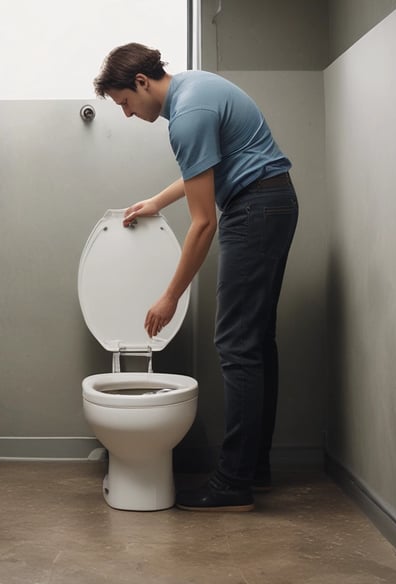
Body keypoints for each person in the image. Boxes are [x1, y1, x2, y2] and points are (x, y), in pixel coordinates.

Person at [93, 43, 298, 511]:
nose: (126, 114)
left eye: (124, 102)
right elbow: (203, 170)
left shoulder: (186, 115)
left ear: (142, 83)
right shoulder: (195, 90)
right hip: (273, 203)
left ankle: (233, 484)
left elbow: (205, 222)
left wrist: (169, 297)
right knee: (256, 343)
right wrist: (157, 202)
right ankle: (253, 469)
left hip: (255, 210)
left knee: (236, 346)